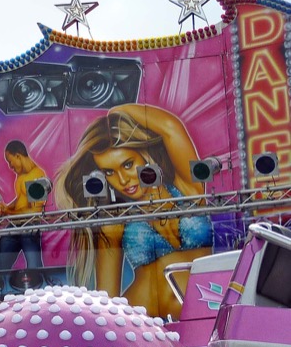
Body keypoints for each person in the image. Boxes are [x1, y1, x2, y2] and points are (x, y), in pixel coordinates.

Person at [54, 104, 213, 318]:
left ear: (144, 153)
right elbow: (106, 300)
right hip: (144, 320)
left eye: (128, 164)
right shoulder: (115, 219)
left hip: (202, 307)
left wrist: (115, 113)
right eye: (109, 172)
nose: (122, 180)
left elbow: (170, 127)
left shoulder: (186, 187)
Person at [0, 140, 46, 271]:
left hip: (30, 227)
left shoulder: (38, 176)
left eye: (10, 161)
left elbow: (34, 213)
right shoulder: (21, 176)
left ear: (18, 156)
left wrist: (8, 213)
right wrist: (7, 207)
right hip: (15, 225)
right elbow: (20, 199)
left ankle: (37, 289)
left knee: (34, 269)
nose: (10, 166)